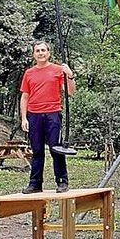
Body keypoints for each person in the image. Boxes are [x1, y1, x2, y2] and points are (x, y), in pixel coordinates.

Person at [20, 41, 75, 193]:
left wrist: (70, 75)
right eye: (37, 50)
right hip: (34, 115)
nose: (41, 53)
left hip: (53, 114)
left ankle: (62, 181)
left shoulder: (58, 70)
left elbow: (70, 92)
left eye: (43, 50)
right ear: (33, 54)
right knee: (37, 150)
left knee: (56, 149)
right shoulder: (29, 73)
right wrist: (24, 118)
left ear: (48, 53)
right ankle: (35, 184)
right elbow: (25, 96)